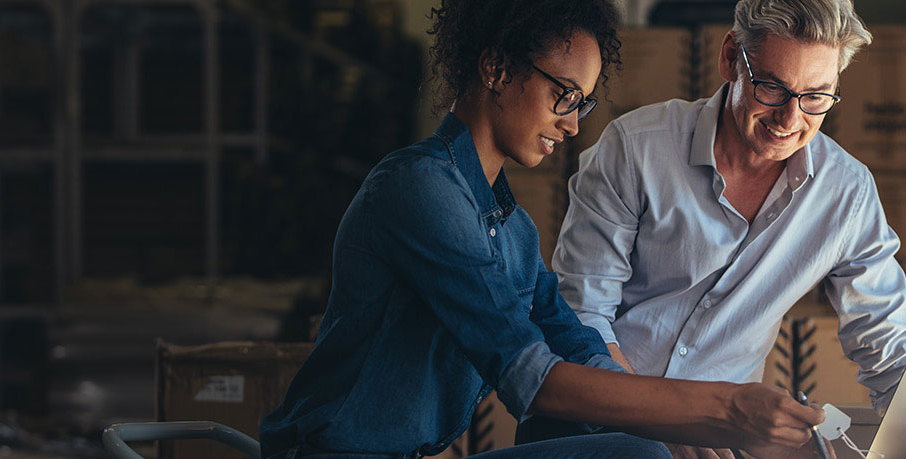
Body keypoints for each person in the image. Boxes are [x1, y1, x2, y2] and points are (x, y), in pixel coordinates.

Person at [260, 1, 830, 458]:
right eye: (563, 94)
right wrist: (724, 411)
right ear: (496, 67)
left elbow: (576, 344)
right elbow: (530, 378)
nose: (573, 123)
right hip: (332, 452)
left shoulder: (511, 227)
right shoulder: (419, 189)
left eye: (583, 103)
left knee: (639, 448)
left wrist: (680, 425)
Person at [532, 0, 906, 457]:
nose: (790, 120)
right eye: (772, 88)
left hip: (721, 445)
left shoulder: (847, 194)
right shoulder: (635, 149)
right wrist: (671, 423)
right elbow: (582, 319)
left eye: (816, 96)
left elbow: (887, 346)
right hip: (593, 427)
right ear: (729, 57)